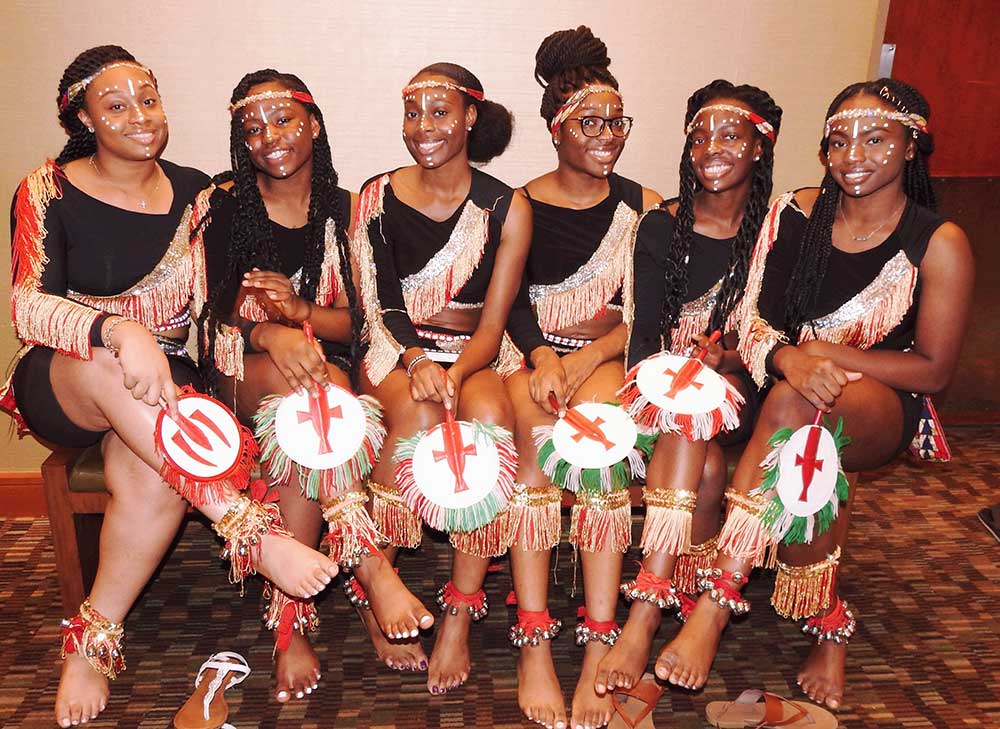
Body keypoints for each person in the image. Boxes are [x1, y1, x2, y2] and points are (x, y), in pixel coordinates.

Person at [0, 46, 339, 728]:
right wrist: (117, 331)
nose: (138, 116)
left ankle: (92, 641)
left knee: (155, 477)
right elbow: (27, 307)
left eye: (147, 100)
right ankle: (248, 530)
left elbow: (222, 300)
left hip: (165, 387)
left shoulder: (200, 194)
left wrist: (276, 322)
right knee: (106, 362)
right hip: (69, 373)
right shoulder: (47, 188)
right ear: (85, 119)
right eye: (116, 105)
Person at [656, 78, 973, 712]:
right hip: (784, 383)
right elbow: (754, 319)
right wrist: (790, 359)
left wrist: (825, 357)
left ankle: (717, 604)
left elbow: (934, 370)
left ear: (913, 145)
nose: (853, 154)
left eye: (876, 138)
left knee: (798, 411)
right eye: (838, 141)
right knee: (795, 430)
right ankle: (830, 625)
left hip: (884, 400)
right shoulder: (796, 213)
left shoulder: (939, 242)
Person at [196, 69, 432, 704]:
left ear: (314, 124)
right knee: (319, 399)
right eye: (253, 128)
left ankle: (288, 623)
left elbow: (367, 319)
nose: (269, 137)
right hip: (242, 362)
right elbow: (212, 310)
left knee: (314, 414)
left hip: (323, 372)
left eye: (283, 120)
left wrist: (298, 314)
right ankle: (370, 571)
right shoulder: (223, 204)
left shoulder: (347, 209)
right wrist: (271, 335)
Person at [596, 80, 782, 698]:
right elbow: (644, 340)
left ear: (761, 145)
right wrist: (677, 375)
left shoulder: (781, 231)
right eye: (699, 135)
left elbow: (781, 338)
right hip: (659, 389)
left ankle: (646, 610)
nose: (711, 148)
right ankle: (680, 596)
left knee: (697, 409)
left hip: (748, 391)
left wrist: (727, 358)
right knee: (694, 445)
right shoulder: (659, 226)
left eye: (730, 134)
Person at [354, 62, 531, 694]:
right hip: (394, 349)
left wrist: (455, 369)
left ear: (470, 116)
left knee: (489, 428)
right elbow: (378, 306)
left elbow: (494, 321)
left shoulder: (508, 205)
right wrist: (418, 362)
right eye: (413, 113)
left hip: (477, 353)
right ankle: (379, 586)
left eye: (439, 112)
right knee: (420, 420)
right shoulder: (375, 196)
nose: (423, 127)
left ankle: (459, 610)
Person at [503, 26, 661, 729]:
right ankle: (534, 642)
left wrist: (588, 357)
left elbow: (650, 315)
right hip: (530, 355)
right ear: (557, 129)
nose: (607, 135)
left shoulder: (646, 204)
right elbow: (506, 302)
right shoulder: (519, 204)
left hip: (609, 360)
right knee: (538, 452)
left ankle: (600, 639)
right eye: (590, 123)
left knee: (599, 449)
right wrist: (542, 356)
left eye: (616, 121)